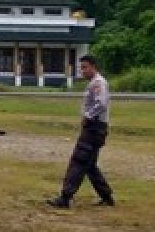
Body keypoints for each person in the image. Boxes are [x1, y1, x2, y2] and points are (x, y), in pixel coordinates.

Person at [47, 55, 113, 208]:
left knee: (78, 161)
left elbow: (101, 104)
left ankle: (65, 197)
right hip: (97, 128)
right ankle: (106, 196)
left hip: (94, 127)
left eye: (85, 67)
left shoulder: (98, 83)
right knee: (89, 165)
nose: (82, 71)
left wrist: (88, 117)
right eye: (81, 67)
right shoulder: (95, 83)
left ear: (93, 67)